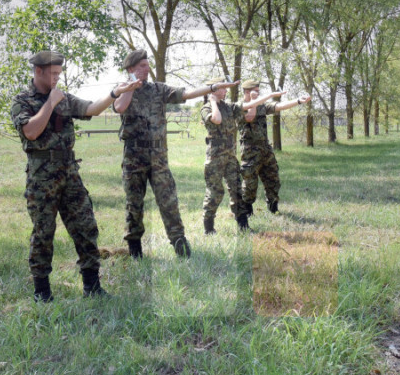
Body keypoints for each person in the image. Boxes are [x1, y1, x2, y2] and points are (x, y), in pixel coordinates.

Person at [11, 51, 141, 302]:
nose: (57, 78)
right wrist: (50, 103)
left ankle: (92, 287)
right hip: (42, 177)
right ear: (38, 72)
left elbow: (92, 109)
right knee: (43, 233)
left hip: (69, 173)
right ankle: (42, 293)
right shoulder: (22, 101)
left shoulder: (65, 98)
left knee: (85, 227)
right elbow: (31, 132)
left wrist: (116, 92)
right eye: (53, 74)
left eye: (59, 74)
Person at [113, 50, 238, 258]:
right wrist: (130, 87)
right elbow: (119, 107)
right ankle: (134, 248)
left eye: (148, 65)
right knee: (134, 203)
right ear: (131, 68)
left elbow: (186, 94)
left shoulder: (158, 89)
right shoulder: (121, 90)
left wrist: (212, 88)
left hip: (158, 157)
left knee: (169, 200)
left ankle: (179, 242)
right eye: (142, 66)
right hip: (134, 157)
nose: (147, 69)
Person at [200, 78, 283, 234]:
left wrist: (270, 95)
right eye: (223, 88)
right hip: (215, 158)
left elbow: (249, 105)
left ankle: (243, 226)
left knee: (237, 191)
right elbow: (216, 119)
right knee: (215, 193)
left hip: (230, 157)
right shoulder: (206, 108)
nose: (226, 90)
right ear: (214, 90)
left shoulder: (228, 106)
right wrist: (212, 101)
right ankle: (209, 228)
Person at [237, 79, 311, 216]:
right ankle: (247, 211)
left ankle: (273, 206)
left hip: (265, 149)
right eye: (255, 91)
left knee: (273, 178)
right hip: (250, 151)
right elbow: (249, 117)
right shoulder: (238, 106)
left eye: (258, 91)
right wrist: (253, 101)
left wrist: (298, 101)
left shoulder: (261, 105)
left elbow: (279, 106)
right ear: (247, 91)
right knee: (250, 183)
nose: (258, 94)